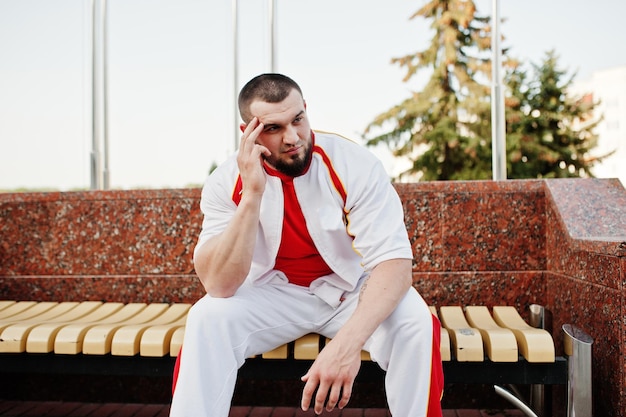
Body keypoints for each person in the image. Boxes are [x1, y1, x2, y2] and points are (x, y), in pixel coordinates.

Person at [169, 73, 443, 416]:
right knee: (206, 318)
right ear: (249, 133)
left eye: (298, 119)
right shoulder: (226, 182)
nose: (292, 137)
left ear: (305, 110)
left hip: (352, 292)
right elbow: (219, 285)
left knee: (415, 322)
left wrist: (345, 347)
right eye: (273, 128)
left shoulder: (353, 164)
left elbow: (395, 265)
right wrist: (252, 194)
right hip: (274, 294)